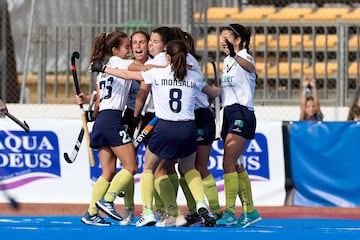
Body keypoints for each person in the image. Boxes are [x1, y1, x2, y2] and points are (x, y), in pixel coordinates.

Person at [91, 39, 222, 227]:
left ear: (167, 57)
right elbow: (212, 92)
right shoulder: (193, 77)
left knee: (148, 169)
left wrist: (103, 69)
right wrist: (225, 89)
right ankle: (201, 204)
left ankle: (147, 212)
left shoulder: (157, 73)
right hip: (187, 129)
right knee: (189, 169)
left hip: (165, 128)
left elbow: (127, 74)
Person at [80, 31, 138, 226]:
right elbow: (145, 68)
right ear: (115, 50)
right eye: (127, 47)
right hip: (113, 119)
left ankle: (91, 213)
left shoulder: (103, 70)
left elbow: (97, 102)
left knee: (108, 171)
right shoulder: (122, 64)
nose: (130, 50)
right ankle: (108, 200)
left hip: (101, 119)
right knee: (131, 167)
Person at [170, 27, 223, 225]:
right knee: (184, 168)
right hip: (189, 116)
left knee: (198, 166)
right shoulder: (181, 63)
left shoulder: (187, 62)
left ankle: (215, 210)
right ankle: (196, 209)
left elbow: (203, 89)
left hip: (198, 116)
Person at [215, 24, 262, 228]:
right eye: (221, 38)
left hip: (242, 112)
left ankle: (231, 212)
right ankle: (250, 211)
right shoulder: (227, 61)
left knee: (228, 163)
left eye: (227, 38)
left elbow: (250, 68)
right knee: (237, 165)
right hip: (229, 113)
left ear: (238, 40)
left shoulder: (244, 57)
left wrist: (235, 54)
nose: (223, 42)